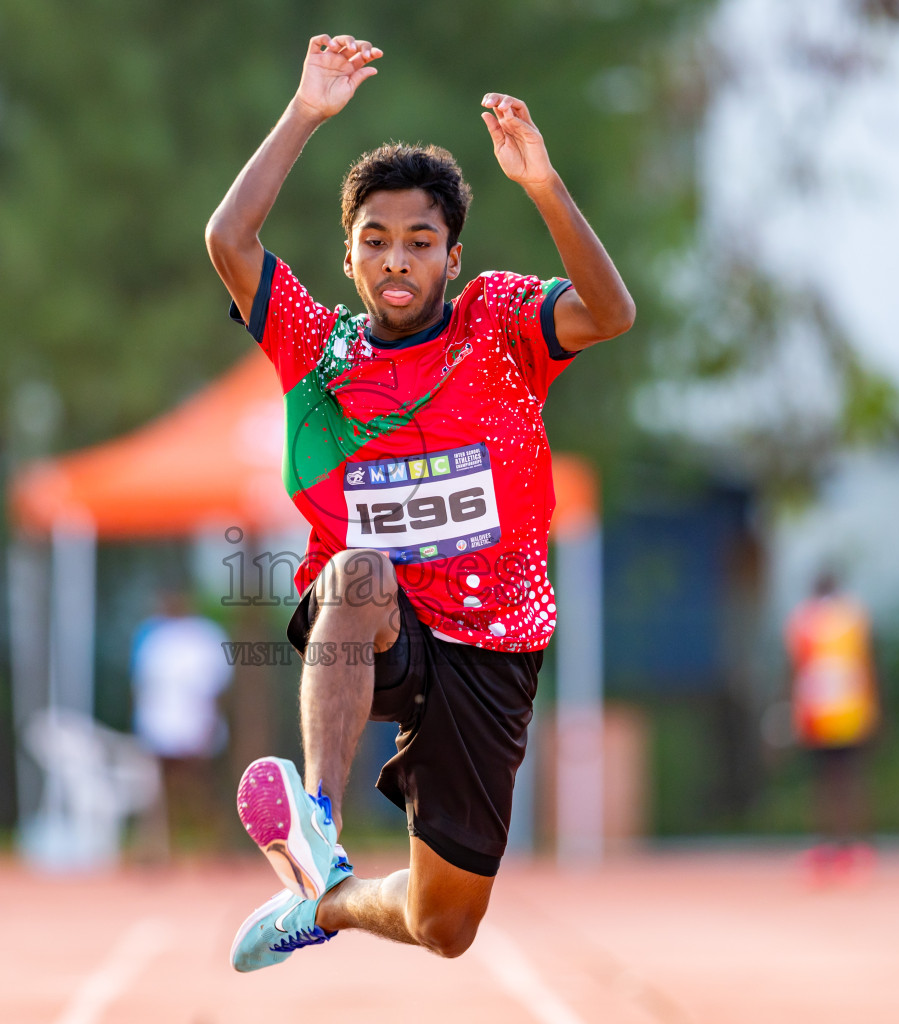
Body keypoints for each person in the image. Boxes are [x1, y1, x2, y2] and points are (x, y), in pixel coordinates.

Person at [205, 34, 635, 971]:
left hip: (497, 641)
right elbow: (228, 241)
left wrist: (546, 187)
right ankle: (316, 820)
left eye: (420, 241)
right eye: (376, 241)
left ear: (452, 254)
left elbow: (610, 314)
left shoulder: (500, 321)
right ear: (350, 256)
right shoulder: (319, 354)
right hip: (384, 628)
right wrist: (306, 114)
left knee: (446, 925)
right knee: (359, 572)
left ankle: (328, 905)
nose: (398, 260)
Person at [784, 570, 878, 882]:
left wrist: (791, 710)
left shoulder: (803, 620)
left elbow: (794, 670)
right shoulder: (852, 617)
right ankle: (847, 846)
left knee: (825, 783)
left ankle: (828, 846)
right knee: (847, 781)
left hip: (819, 713)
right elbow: (868, 664)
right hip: (847, 711)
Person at [130, 591, 232, 854]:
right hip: (160, 724)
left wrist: (209, 724)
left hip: (193, 723)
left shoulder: (204, 636)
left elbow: (216, 687)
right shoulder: (153, 636)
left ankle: (213, 847)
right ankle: (155, 847)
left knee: (199, 787)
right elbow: (141, 684)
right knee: (155, 789)